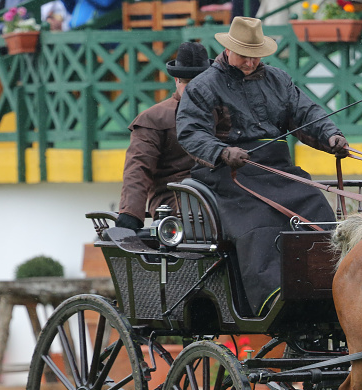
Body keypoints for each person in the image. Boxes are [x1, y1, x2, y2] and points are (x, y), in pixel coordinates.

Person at [176, 17, 349, 316]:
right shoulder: (204, 86)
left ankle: (329, 285)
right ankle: (274, 299)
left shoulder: (279, 80)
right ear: (228, 50)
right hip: (227, 176)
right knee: (259, 222)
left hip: (276, 169)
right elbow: (190, 132)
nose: (250, 62)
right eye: (244, 55)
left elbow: (306, 113)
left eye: (255, 56)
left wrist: (330, 136)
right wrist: (222, 152)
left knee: (315, 204)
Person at [116, 42, 212, 230]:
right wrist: (130, 214)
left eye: (199, 83)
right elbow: (138, 169)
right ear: (176, 80)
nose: (193, 89)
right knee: (201, 213)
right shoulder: (152, 119)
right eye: (186, 82)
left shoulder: (223, 113)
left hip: (217, 190)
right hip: (173, 195)